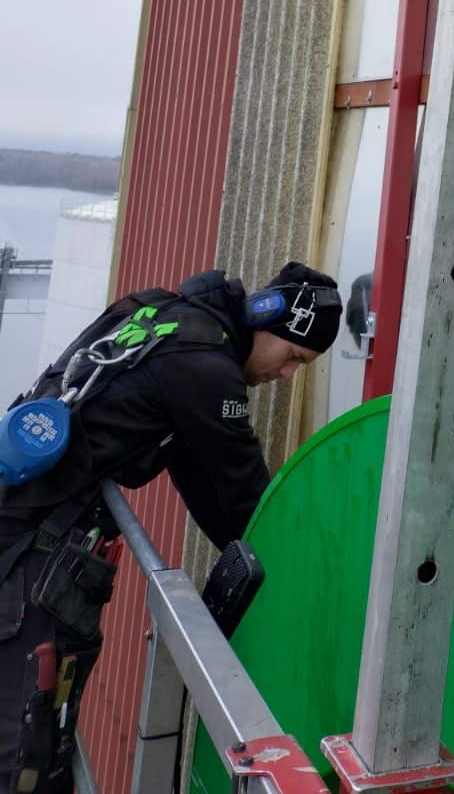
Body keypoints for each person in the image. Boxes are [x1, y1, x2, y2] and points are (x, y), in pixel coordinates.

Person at [0, 261, 342, 793]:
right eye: (294, 356)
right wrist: (309, 581)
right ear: (263, 317)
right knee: (25, 752)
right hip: (35, 557)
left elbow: (199, 476)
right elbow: (242, 496)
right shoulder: (207, 370)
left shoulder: (154, 311)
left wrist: (244, 549)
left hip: (15, 514)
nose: (288, 376)